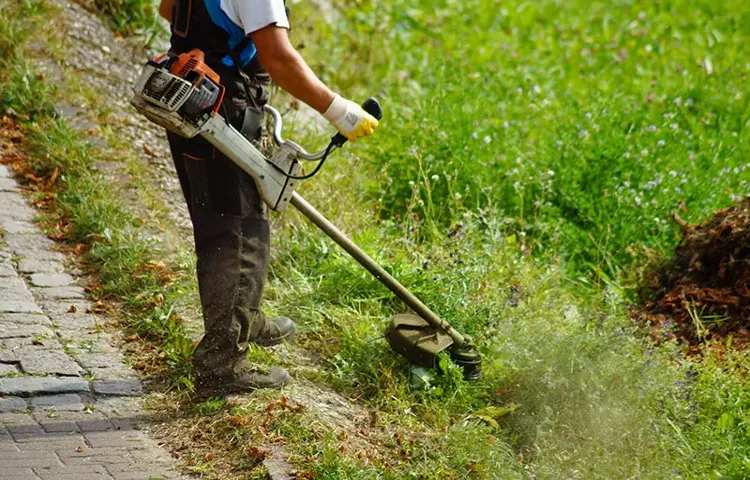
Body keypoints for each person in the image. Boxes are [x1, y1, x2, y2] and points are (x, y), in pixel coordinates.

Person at [157, 0, 379, 393]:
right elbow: (278, 57)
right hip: (221, 108)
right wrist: (340, 111)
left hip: (186, 97)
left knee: (220, 226)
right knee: (238, 237)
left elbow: (167, 10)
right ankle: (222, 365)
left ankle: (243, 319)